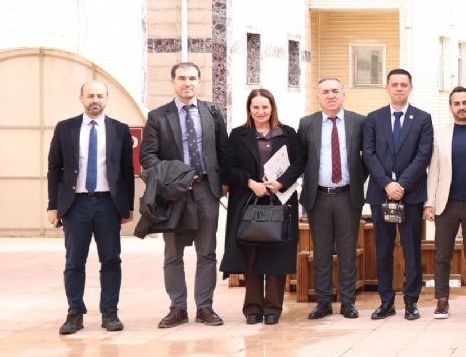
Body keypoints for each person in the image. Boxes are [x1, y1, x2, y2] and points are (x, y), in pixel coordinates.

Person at [140, 61, 229, 328]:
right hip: (174, 194)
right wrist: (176, 178)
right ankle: (177, 308)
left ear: (199, 82)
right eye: (181, 78)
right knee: (173, 254)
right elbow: (148, 157)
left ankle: (205, 307)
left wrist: (224, 182)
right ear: (173, 82)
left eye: (192, 78)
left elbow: (223, 151)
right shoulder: (158, 116)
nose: (187, 83)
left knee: (207, 252)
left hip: (206, 189)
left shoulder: (212, 112)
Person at [46, 81, 136, 334]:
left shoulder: (119, 129)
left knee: (111, 260)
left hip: (108, 203)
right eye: (90, 96)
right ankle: (75, 313)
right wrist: (53, 205)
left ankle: (110, 312)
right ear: (81, 98)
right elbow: (54, 167)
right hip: (76, 204)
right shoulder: (65, 128)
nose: (95, 100)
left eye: (100, 95)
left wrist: (127, 206)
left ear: (106, 99)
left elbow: (127, 170)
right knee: (74, 261)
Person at [221, 89, 305, 325]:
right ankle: (253, 309)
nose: (260, 111)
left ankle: (272, 309)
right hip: (248, 200)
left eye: (265, 107)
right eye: (256, 107)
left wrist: (281, 182)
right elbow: (227, 166)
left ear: (272, 108)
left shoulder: (287, 133)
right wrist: (251, 183)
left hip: (280, 200)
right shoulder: (238, 134)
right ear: (249, 109)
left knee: (278, 254)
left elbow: (299, 162)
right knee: (251, 255)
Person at [362, 68, 434, 320]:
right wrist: (386, 184)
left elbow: (423, 155)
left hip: (411, 195)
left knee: (411, 250)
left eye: (404, 84)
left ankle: (411, 301)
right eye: (395, 84)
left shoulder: (422, 118)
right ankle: (386, 302)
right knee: (383, 250)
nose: (399, 88)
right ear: (387, 87)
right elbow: (368, 154)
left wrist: (401, 184)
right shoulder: (373, 118)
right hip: (381, 195)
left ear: (410, 88)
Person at [299, 77, 366, 319]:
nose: (331, 96)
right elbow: (301, 159)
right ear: (318, 97)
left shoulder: (359, 122)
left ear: (343, 95)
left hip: (348, 196)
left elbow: (367, 157)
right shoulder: (307, 123)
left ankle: (348, 302)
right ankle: (324, 302)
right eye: (325, 92)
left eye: (335, 91)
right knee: (321, 252)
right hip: (318, 197)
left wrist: (357, 179)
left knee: (348, 252)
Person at [425, 86, 466, 319]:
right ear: (450, 107)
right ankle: (442, 301)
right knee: (442, 255)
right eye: (457, 103)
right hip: (446, 204)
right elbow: (433, 171)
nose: (461, 107)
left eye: (465, 102)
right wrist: (429, 203)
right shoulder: (440, 135)